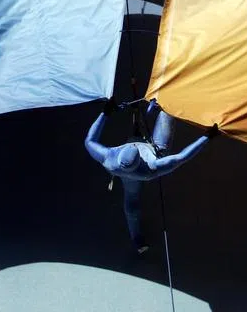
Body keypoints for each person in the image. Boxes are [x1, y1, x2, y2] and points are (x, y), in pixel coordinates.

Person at [85, 98, 215, 253]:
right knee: (168, 112)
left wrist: (105, 113)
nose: (135, 145)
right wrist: (206, 137)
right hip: (154, 150)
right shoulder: (151, 167)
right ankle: (164, 105)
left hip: (129, 179)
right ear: (139, 159)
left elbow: (89, 141)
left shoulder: (109, 158)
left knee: (131, 202)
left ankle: (136, 239)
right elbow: (181, 157)